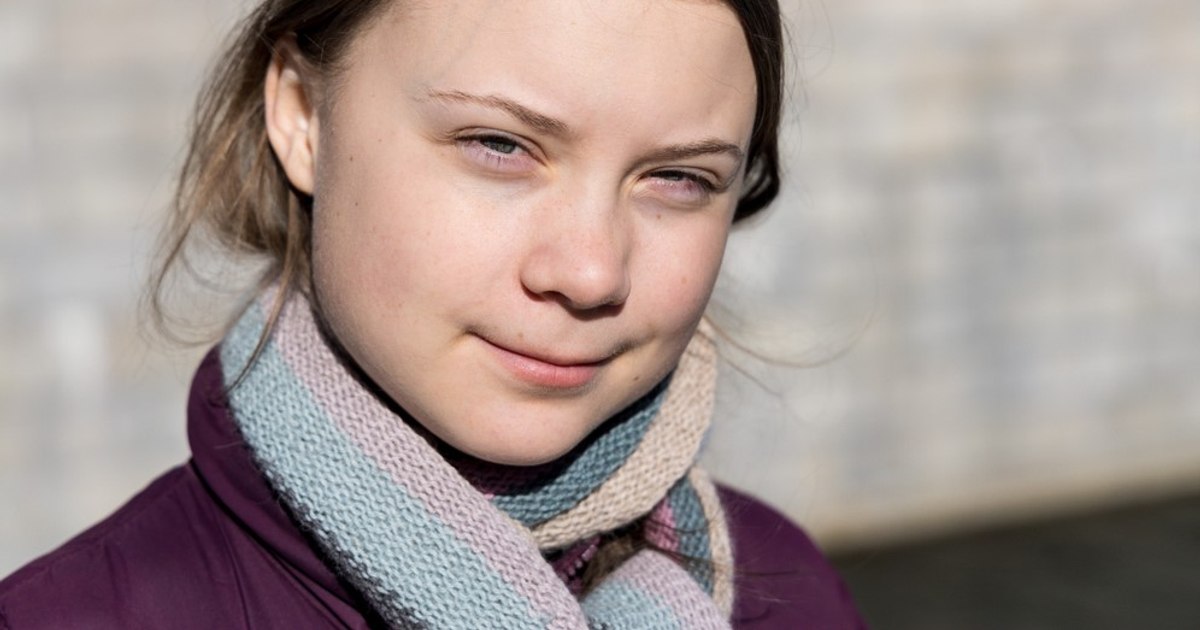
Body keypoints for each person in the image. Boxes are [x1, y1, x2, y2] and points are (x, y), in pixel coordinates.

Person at [0, 0, 865, 627]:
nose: (591, 271)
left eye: (679, 178)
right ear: (302, 116)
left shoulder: (784, 591)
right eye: (499, 146)